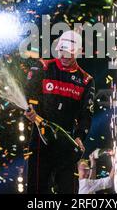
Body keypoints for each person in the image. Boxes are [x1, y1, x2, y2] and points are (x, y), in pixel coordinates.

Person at [24, 30, 95, 194]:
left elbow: (86, 114)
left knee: (69, 189)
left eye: (69, 53)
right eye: (62, 51)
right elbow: (30, 94)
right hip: (40, 139)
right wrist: (32, 109)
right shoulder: (44, 66)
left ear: (78, 52)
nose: (64, 56)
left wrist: (79, 137)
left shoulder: (86, 80)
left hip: (66, 142)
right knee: (36, 189)